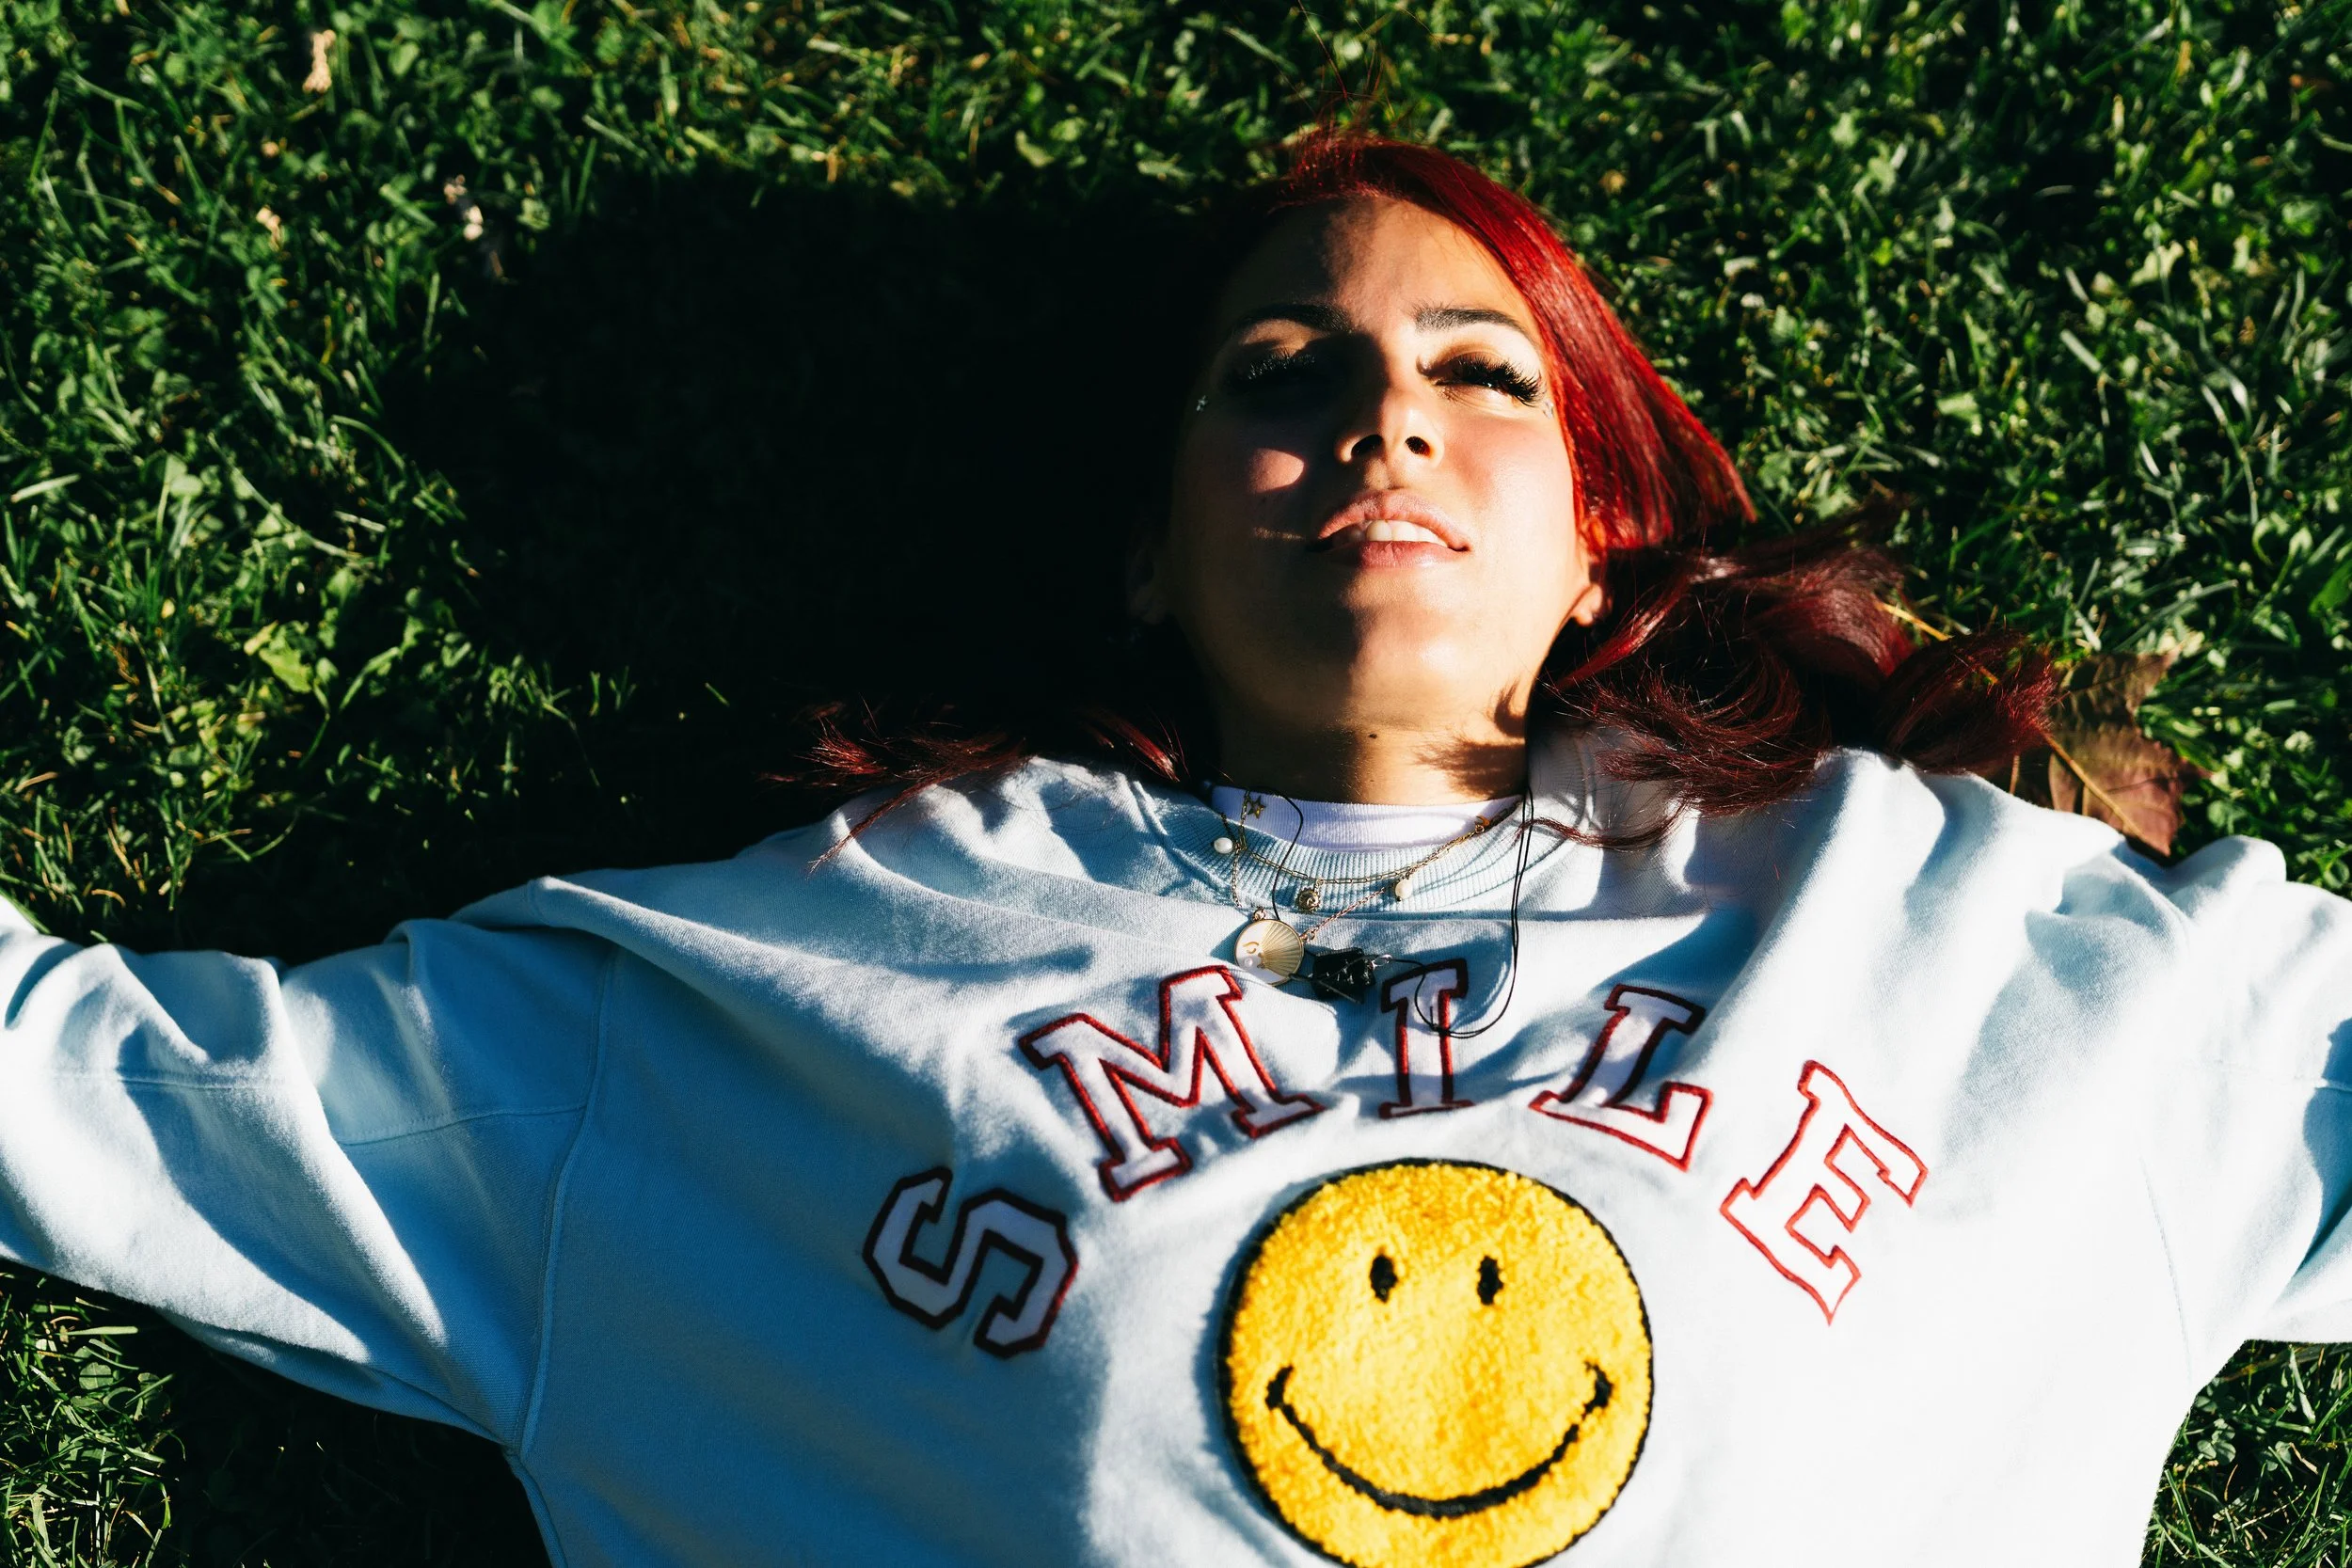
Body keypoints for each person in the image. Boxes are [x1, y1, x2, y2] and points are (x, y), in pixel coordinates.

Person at [0, 131, 2345, 1568]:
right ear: (1146, 548)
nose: (1381, 412)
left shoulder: (1963, 938)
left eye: (1478, 371)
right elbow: (83, 1088)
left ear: (1593, 549)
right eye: (1277, 374)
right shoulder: (807, 989)